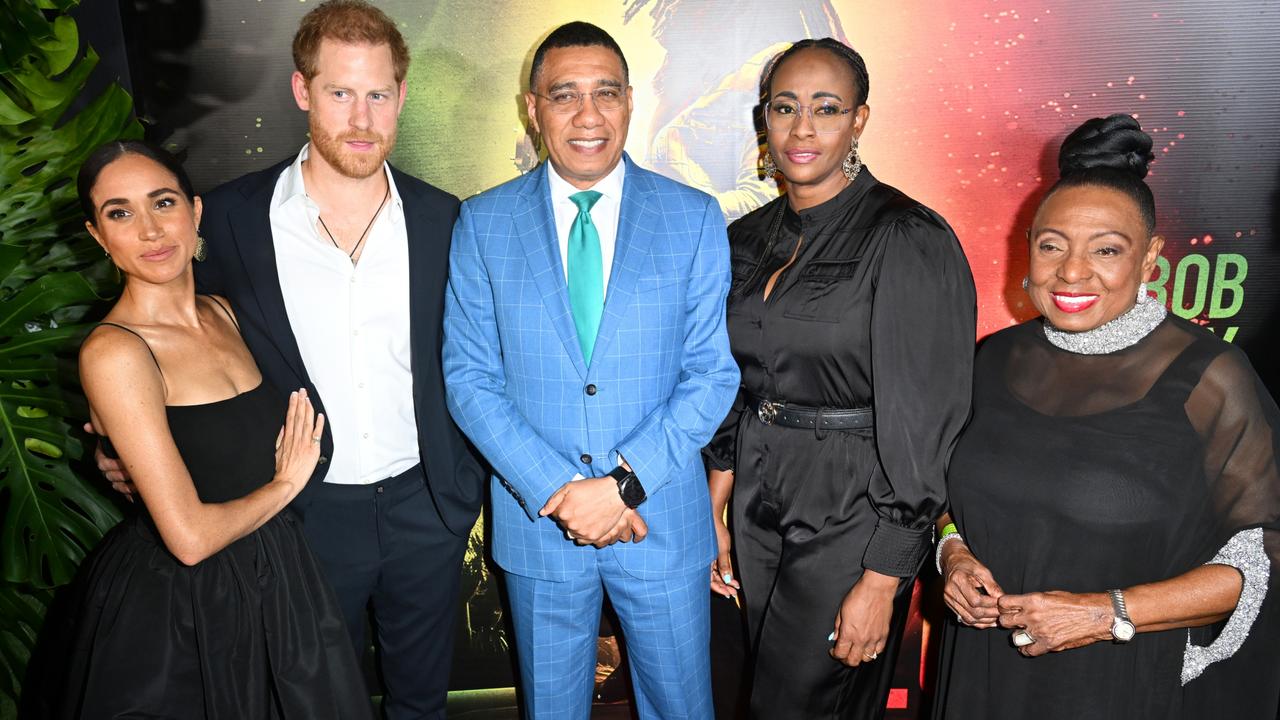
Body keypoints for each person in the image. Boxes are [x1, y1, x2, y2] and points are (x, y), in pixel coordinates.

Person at [91, 2, 484, 717]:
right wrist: (119, 445)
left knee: (423, 702)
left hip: (426, 505)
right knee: (303, 702)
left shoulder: (447, 218)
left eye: (377, 93)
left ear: (401, 96)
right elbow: (173, 345)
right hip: (299, 515)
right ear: (303, 92)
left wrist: (454, 499)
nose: (360, 118)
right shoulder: (234, 217)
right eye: (339, 92)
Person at [933, 114, 1280, 719]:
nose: (1072, 271)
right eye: (1052, 245)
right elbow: (946, 496)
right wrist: (952, 554)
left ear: (1149, 259)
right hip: (981, 677)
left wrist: (1106, 613)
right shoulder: (993, 358)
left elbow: (1263, 555)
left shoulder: (1209, 378)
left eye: (1107, 250)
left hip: (1119, 685)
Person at [442, 21, 739, 720]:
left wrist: (622, 486)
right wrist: (559, 490)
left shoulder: (692, 218)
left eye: (606, 93)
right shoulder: (483, 224)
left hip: (660, 519)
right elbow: (469, 378)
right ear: (531, 107)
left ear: (630, 102)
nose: (587, 115)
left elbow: (711, 375)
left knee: (682, 709)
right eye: (564, 95)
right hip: (539, 524)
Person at [702, 38, 977, 718]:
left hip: (853, 500)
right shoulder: (745, 239)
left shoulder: (906, 236)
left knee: (802, 701)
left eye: (826, 109)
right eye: (785, 107)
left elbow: (926, 422)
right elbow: (736, 377)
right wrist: (718, 490)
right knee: (759, 692)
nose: (802, 128)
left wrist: (884, 576)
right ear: (763, 119)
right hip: (758, 490)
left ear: (860, 120)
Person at [59, 140, 372, 719]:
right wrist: (285, 484)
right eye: (120, 213)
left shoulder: (224, 313)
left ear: (195, 211)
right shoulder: (115, 353)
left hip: (279, 581)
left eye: (163, 202)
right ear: (98, 236)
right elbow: (190, 538)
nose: (150, 230)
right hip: (186, 611)